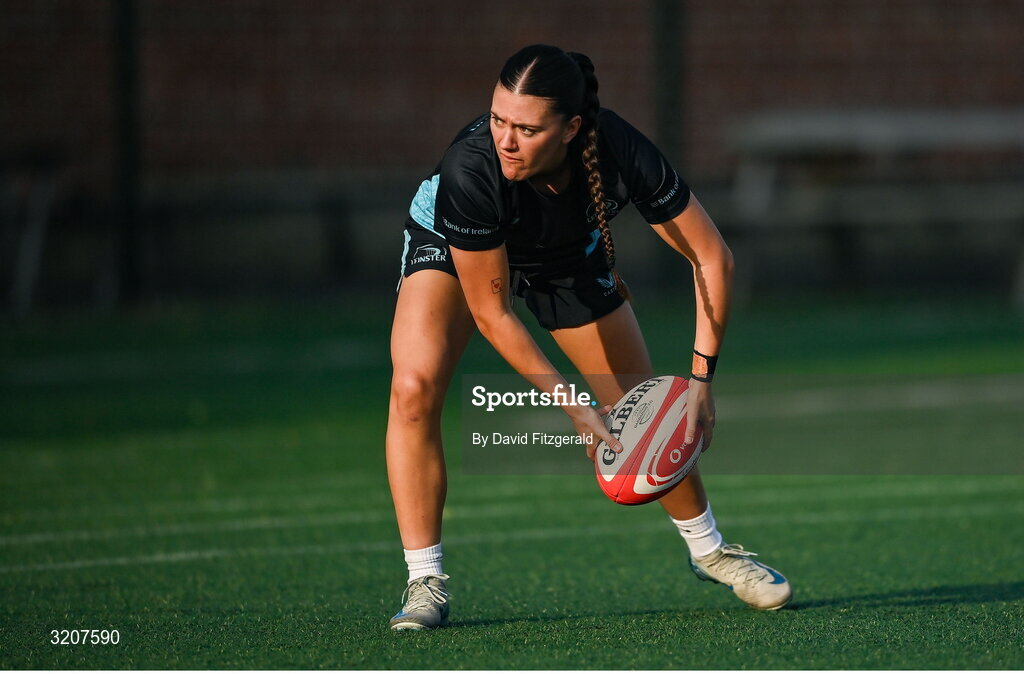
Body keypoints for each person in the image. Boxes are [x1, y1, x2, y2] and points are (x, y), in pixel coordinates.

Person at [386, 44, 791, 631]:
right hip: (453, 245)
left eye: (526, 128)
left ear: (572, 128)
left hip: (566, 258)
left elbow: (711, 257)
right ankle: (424, 580)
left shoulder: (619, 148)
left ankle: (710, 552)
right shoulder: (471, 168)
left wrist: (701, 380)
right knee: (414, 388)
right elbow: (494, 313)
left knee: (640, 402)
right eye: (498, 119)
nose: (506, 139)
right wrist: (573, 406)